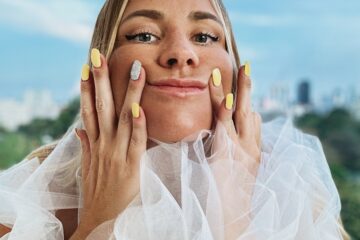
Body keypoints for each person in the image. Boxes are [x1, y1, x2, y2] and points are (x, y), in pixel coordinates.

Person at [0, 0, 350, 239]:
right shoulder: (27, 203)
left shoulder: (291, 190)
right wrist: (98, 224)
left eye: (205, 37)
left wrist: (235, 220)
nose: (182, 53)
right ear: (101, 63)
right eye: (144, 35)